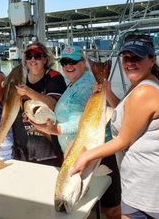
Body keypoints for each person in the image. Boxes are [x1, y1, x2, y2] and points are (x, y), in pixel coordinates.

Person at [71, 34, 159, 219]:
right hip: (137, 179)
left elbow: (124, 139)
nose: (130, 62)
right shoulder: (139, 85)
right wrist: (107, 92)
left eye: (137, 57)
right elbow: (125, 111)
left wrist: (85, 156)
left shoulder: (144, 91)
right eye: (126, 57)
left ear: (152, 60)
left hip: (152, 184)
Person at [29, 45, 121, 218]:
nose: (68, 66)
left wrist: (55, 128)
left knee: (111, 208)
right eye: (64, 62)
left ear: (83, 62)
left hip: (95, 152)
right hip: (79, 154)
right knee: (86, 207)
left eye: (73, 61)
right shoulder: (75, 83)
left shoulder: (84, 85)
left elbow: (79, 123)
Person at [13, 42, 66, 167]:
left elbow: (53, 104)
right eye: (29, 56)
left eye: (37, 56)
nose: (33, 59)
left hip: (49, 147)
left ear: (45, 59)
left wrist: (28, 91)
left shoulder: (54, 77)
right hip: (23, 145)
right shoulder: (19, 78)